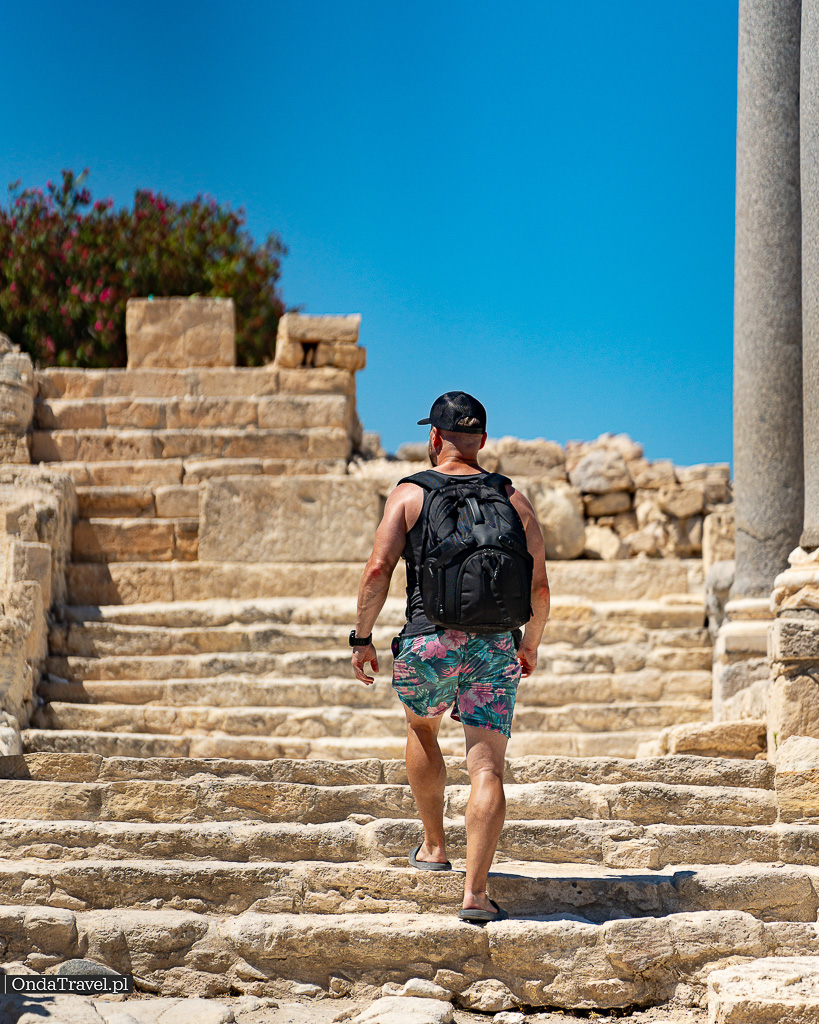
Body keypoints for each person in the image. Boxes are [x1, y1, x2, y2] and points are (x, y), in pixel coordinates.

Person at [350, 391, 550, 922]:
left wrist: (361, 638)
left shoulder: (409, 493)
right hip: (494, 645)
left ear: (434, 439)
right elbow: (540, 588)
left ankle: (435, 848)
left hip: (428, 640)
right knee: (487, 766)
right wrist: (528, 644)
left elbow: (378, 569)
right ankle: (477, 895)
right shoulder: (513, 498)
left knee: (422, 730)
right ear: (482, 440)